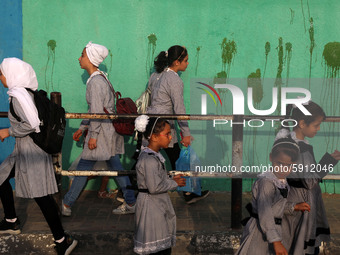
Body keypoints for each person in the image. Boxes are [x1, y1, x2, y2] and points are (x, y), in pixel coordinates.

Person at [0, 58, 77, 254]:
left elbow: (32, 124)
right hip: (22, 150)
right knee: (1, 178)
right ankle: (11, 221)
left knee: (42, 196)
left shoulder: (19, 95)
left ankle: (62, 241)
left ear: (12, 75)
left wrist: (7, 132)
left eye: (2, 74)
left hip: (31, 151)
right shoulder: (24, 93)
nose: (1, 78)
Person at [61, 41, 136, 216]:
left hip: (101, 134)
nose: (79, 58)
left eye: (82, 55)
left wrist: (92, 136)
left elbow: (95, 112)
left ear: (91, 58)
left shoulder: (95, 82)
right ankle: (131, 202)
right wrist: (82, 127)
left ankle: (66, 204)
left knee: (84, 169)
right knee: (117, 168)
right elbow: (94, 109)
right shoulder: (102, 79)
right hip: (107, 132)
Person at [147, 45, 209, 204]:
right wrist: (186, 133)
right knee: (172, 158)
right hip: (163, 126)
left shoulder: (156, 75)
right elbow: (179, 108)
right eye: (186, 61)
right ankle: (130, 191)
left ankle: (189, 192)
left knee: (162, 157)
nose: (188, 64)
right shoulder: (174, 79)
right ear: (176, 62)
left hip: (150, 123)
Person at [278, 101, 340, 254]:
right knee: (304, 242)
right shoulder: (302, 149)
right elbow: (310, 180)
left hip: (294, 197)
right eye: (316, 125)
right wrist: (330, 161)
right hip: (303, 200)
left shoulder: (289, 142)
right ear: (302, 123)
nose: (318, 129)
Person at [236, 136, 307, 255]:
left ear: (294, 164)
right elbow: (265, 212)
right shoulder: (267, 182)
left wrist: (292, 207)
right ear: (271, 157)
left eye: (288, 165)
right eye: (279, 163)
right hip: (260, 231)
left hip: (274, 230)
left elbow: (275, 205)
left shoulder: (281, 181)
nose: (283, 168)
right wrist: (276, 241)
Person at [134, 115, 186, 255]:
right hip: (151, 207)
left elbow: (156, 179)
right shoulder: (149, 160)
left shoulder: (154, 156)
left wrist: (169, 178)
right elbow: (154, 187)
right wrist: (174, 182)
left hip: (156, 204)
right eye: (167, 134)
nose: (170, 137)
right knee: (157, 248)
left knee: (161, 243)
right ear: (154, 137)